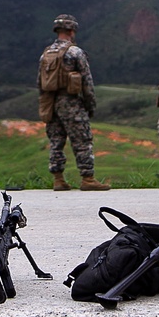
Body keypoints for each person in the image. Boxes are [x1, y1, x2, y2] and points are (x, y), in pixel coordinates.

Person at [36, 13, 110, 191]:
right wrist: (90, 105)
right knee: (82, 141)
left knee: (56, 141)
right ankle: (87, 178)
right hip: (71, 104)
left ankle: (58, 179)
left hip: (51, 103)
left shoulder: (46, 53)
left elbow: (40, 83)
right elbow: (87, 82)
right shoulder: (75, 52)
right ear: (71, 30)